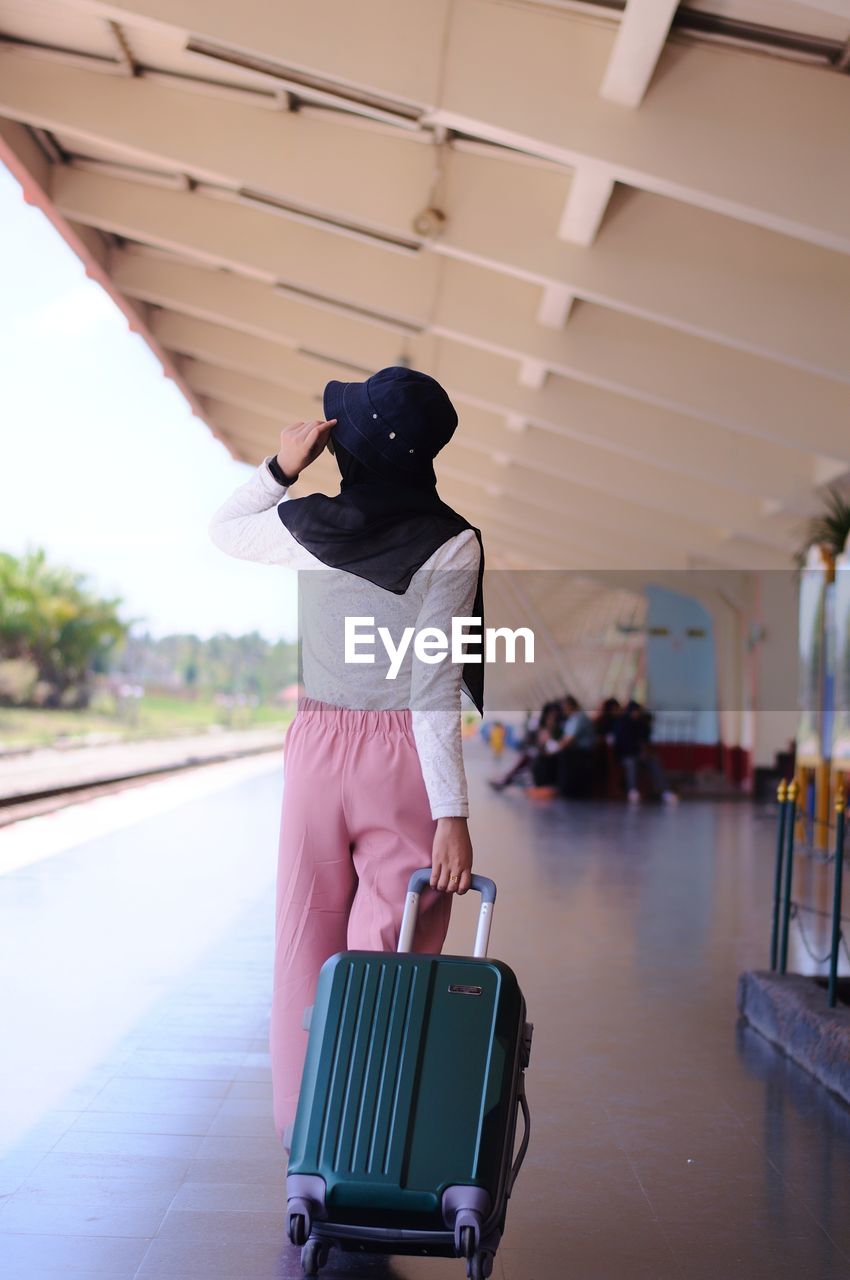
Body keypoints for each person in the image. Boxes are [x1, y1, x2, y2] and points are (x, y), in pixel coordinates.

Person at [207, 366, 484, 1151]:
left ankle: (308, 1137)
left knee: (304, 944)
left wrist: (281, 465)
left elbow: (225, 529)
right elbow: (436, 685)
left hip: (317, 750)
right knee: (393, 950)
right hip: (402, 755)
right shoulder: (453, 542)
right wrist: (451, 817)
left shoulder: (309, 527)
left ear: (350, 446)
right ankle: (374, 1130)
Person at [613, 700, 678, 805]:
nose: (635, 714)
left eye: (637, 712)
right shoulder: (621, 724)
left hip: (640, 755)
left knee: (654, 760)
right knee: (631, 763)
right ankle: (632, 791)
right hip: (625, 755)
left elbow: (644, 741)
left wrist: (644, 752)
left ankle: (664, 791)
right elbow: (621, 744)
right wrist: (636, 751)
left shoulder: (641, 724)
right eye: (633, 711)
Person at [551, 694, 595, 798]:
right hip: (576, 751)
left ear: (570, 706)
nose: (563, 710)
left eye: (564, 707)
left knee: (562, 755)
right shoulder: (572, 718)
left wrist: (555, 748)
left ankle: (566, 789)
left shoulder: (579, 718)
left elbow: (569, 739)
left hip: (583, 752)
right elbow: (565, 738)